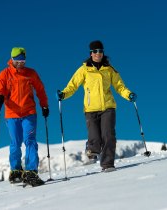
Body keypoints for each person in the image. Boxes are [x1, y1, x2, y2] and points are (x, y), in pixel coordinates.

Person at [57, 40, 137, 172]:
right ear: (91, 53)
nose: (98, 54)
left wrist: (128, 95)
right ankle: (91, 147)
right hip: (91, 109)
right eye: (95, 51)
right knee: (95, 137)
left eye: (100, 51)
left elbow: (119, 86)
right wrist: (63, 94)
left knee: (108, 135)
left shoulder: (109, 69)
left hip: (108, 107)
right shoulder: (84, 70)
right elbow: (73, 85)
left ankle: (107, 164)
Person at [0, 47, 49, 186]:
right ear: (12, 60)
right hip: (12, 114)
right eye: (17, 60)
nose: (20, 63)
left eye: (23, 60)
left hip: (29, 113)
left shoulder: (31, 73)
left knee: (30, 140)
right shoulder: (5, 74)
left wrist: (44, 105)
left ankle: (31, 171)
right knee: (15, 143)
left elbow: (40, 90)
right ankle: (16, 170)